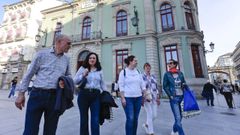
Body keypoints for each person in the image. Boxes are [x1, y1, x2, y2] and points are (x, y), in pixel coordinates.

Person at [15, 34, 72, 135]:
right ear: (59, 42)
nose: (70, 45)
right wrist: (21, 94)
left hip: (55, 98)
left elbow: (69, 75)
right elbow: (29, 74)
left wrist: (65, 81)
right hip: (37, 95)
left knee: (50, 131)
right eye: (68, 43)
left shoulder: (66, 59)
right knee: (30, 130)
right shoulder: (41, 54)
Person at [74, 52, 107, 135]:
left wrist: (106, 93)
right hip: (83, 95)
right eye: (90, 58)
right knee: (84, 120)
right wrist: (83, 75)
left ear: (96, 60)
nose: (92, 59)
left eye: (94, 58)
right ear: (88, 59)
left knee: (95, 120)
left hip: (96, 96)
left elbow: (102, 83)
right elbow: (74, 80)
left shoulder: (99, 70)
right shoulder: (82, 68)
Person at [118, 55, 146, 135]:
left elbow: (142, 84)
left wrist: (145, 94)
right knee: (130, 118)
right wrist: (122, 98)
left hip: (138, 98)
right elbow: (121, 86)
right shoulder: (123, 72)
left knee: (136, 118)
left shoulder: (138, 71)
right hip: (128, 98)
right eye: (135, 61)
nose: (136, 62)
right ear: (130, 61)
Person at [163, 59, 187, 135]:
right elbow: (165, 86)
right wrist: (170, 95)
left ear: (174, 64)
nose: (168, 65)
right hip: (174, 98)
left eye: (170, 63)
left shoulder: (180, 73)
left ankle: (174, 130)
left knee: (180, 116)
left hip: (181, 97)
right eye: (168, 63)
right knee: (178, 117)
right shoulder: (167, 74)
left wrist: (184, 85)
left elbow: (184, 82)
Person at [141, 63, 160, 135]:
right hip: (147, 98)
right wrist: (143, 98)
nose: (148, 69)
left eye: (149, 67)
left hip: (154, 97)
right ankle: (151, 132)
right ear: (144, 68)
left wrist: (158, 97)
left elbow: (156, 87)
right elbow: (141, 88)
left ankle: (146, 125)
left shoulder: (153, 76)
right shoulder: (142, 77)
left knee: (154, 115)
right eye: (146, 67)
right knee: (149, 114)